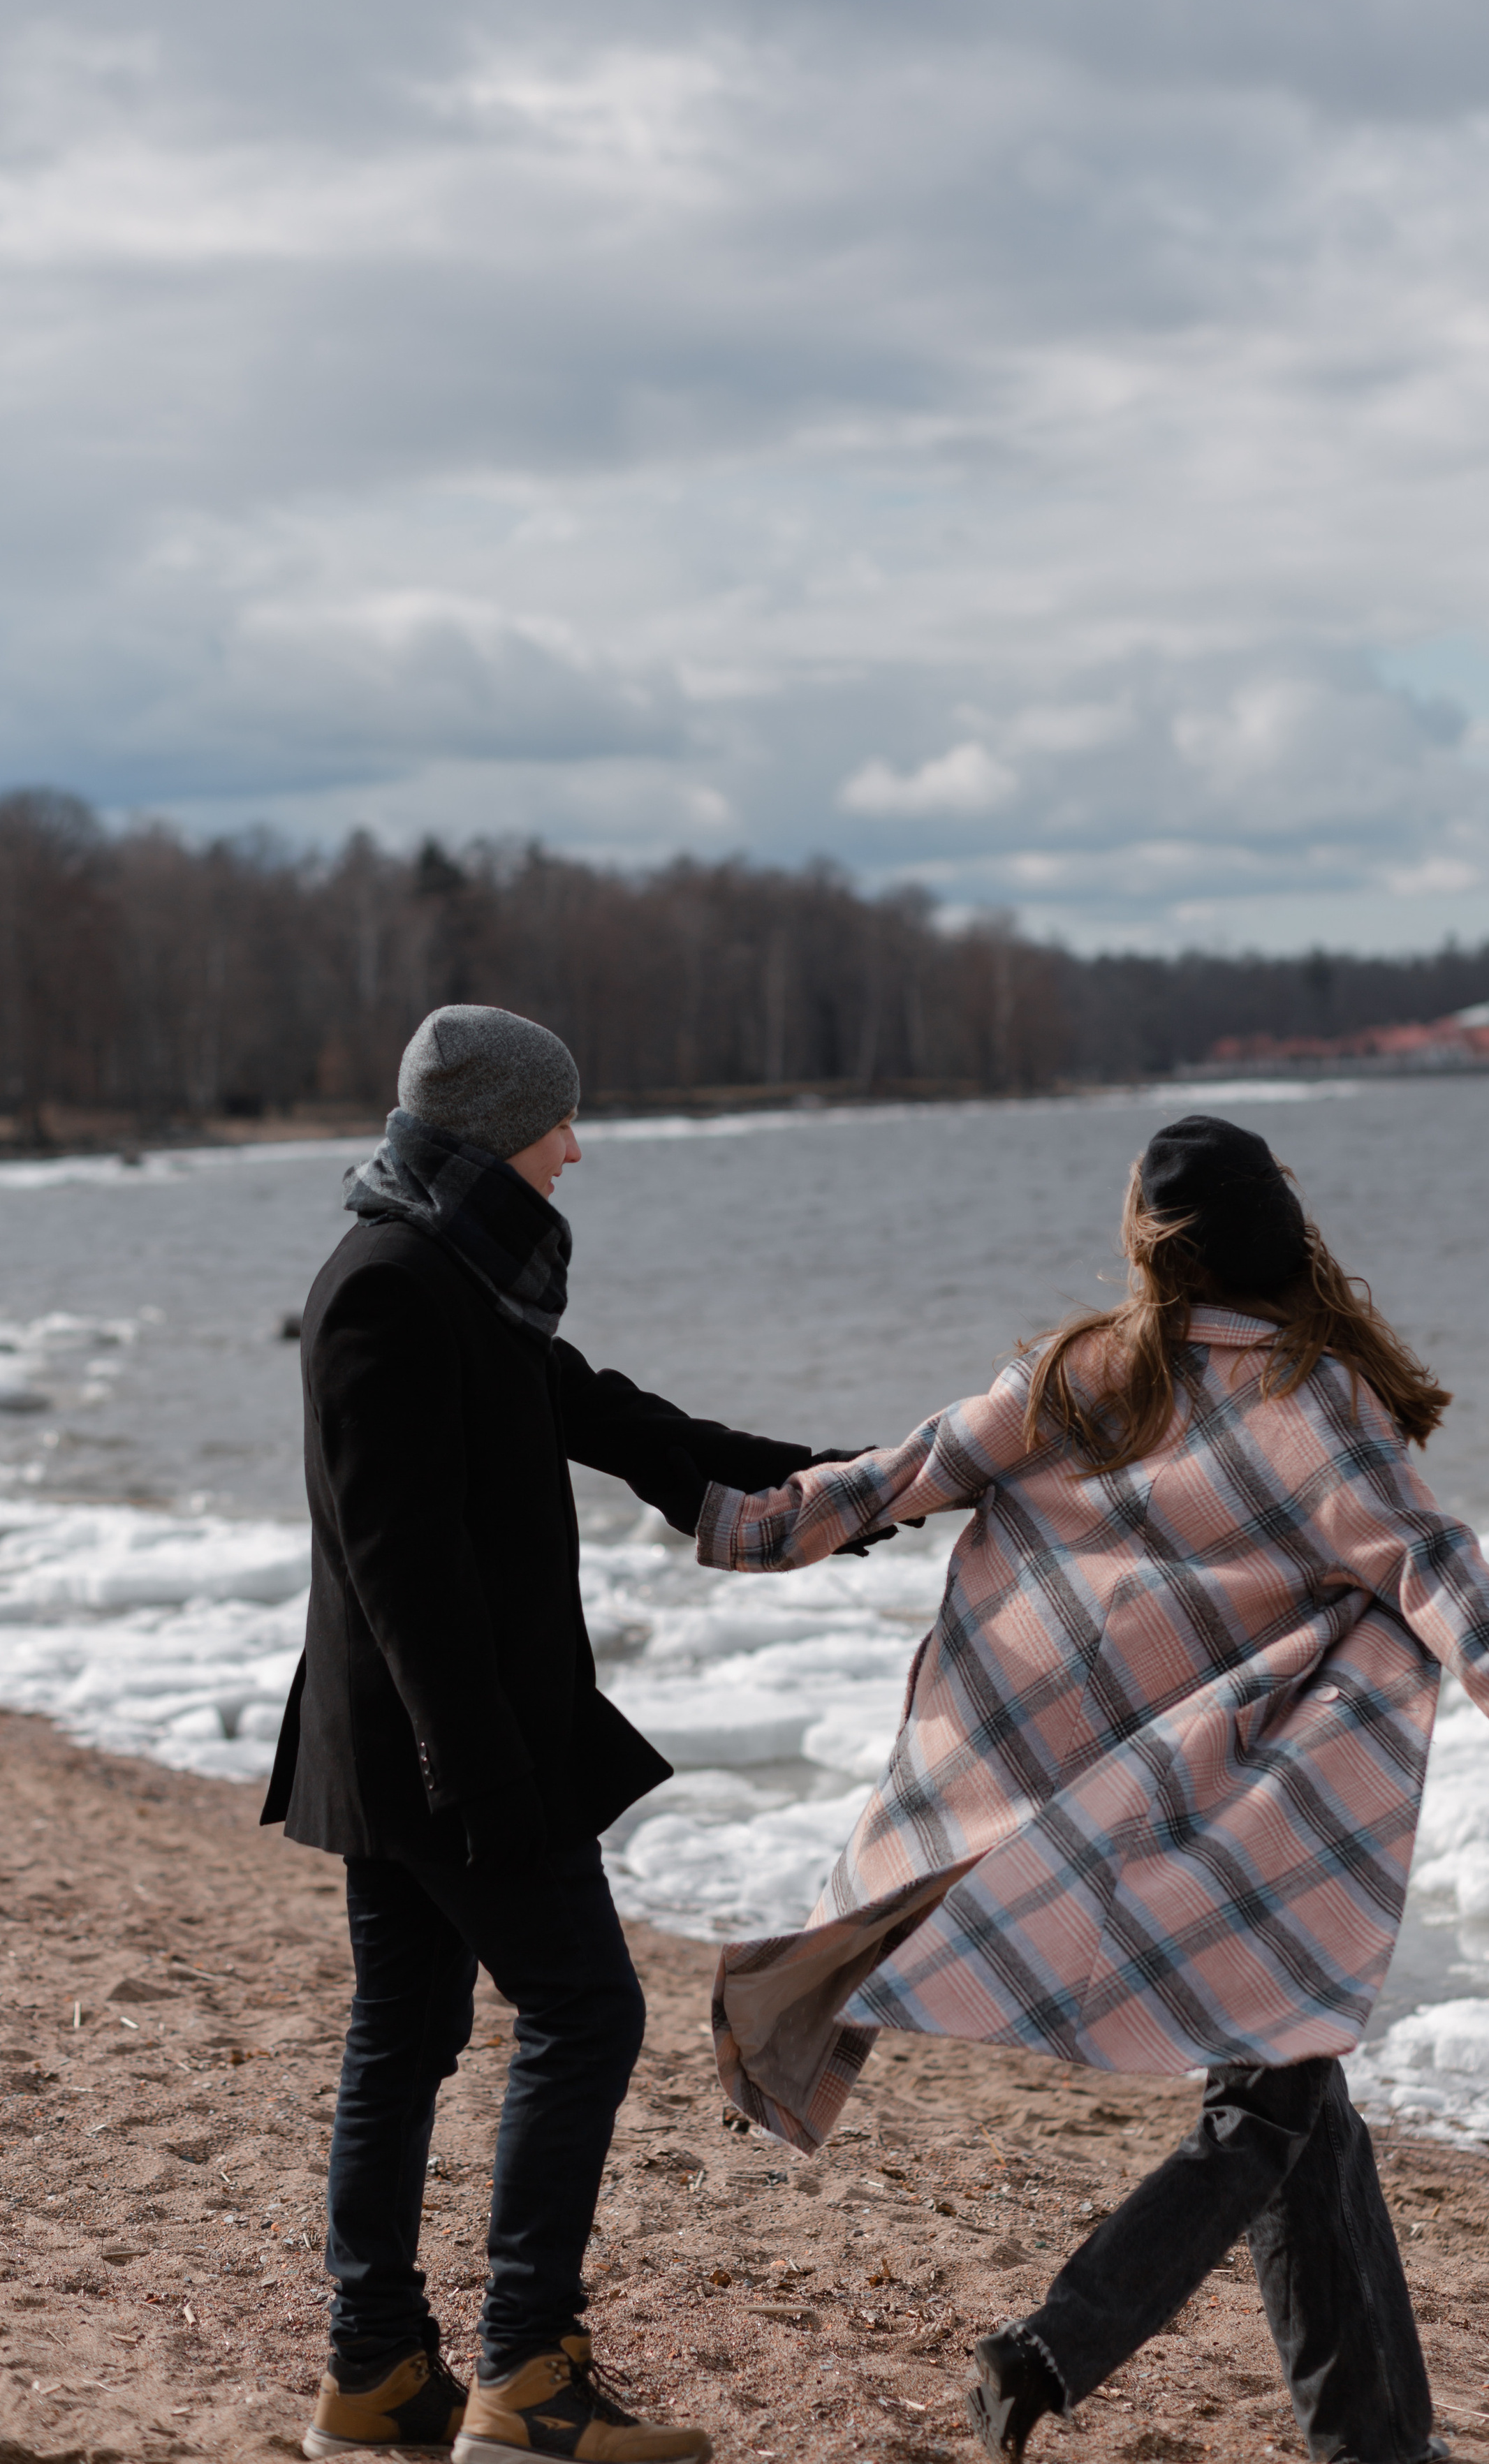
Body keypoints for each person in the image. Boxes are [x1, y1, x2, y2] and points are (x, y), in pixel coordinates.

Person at [694, 1115, 1489, 2464]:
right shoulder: (1317, 1401)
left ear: (1153, 1250)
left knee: (1300, 2093)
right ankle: (1052, 2348)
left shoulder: (1076, 1375)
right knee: (1271, 2105)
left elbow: (901, 1473)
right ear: (1286, 1236)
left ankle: (1375, 2441)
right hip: (1239, 1809)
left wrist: (734, 1520)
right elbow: (1439, 1571)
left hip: (1072, 1793)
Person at [263, 1003, 851, 2464]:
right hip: (444, 1744)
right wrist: (478, 1771)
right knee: (588, 2012)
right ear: (492, 1130)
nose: (573, 1149)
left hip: (410, 1742)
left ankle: (375, 2376)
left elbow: (626, 1426)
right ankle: (526, 2373)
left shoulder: (455, 1276)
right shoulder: (390, 1287)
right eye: (555, 1123)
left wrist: (847, 1484)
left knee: (405, 2032)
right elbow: (399, 1563)